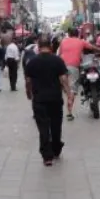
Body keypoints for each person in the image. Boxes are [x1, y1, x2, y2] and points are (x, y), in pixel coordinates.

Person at [25, 35, 73, 166]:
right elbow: (63, 79)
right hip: (55, 99)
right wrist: (69, 94)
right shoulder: (58, 61)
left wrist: (28, 93)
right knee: (56, 125)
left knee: (43, 127)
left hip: (39, 99)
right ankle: (56, 149)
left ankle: (47, 156)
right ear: (51, 47)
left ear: (38, 47)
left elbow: (28, 81)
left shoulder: (32, 63)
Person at [57, 28, 100, 119]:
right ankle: (69, 113)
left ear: (69, 34)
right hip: (73, 66)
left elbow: (59, 55)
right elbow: (93, 47)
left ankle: (65, 96)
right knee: (73, 90)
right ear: (78, 34)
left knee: (65, 88)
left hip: (61, 66)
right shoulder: (81, 41)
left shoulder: (63, 41)